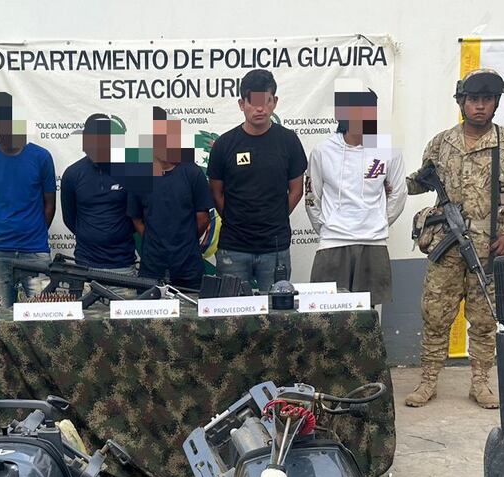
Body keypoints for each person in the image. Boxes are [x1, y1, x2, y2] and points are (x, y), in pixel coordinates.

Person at [404, 68, 504, 409]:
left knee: (482, 319)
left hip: (490, 247)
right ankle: (428, 381)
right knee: (435, 315)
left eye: (487, 100)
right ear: (462, 102)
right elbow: (420, 181)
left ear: (496, 103)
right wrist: (386, 178)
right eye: (473, 100)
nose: (480, 107)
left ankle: (480, 383)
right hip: (446, 245)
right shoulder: (441, 143)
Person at [305, 84, 406, 311]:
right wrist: (326, 227)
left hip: (372, 243)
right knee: (327, 316)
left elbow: (399, 194)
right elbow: (312, 196)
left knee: (366, 316)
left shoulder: (387, 150)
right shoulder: (322, 151)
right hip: (333, 243)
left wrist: (379, 221)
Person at [208, 69, 307, 287]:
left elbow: (297, 190)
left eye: (266, 101)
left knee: (276, 315)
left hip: (275, 247)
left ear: (275, 102)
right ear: (242, 104)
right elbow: (216, 192)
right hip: (233, 248)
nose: (260, 108)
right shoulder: (224, 144)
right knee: (231, 316)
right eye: (252, 102)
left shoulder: (289, 141)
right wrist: (236, 218)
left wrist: (276, 216)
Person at [0, 91, 57, 309]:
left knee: (43, 320)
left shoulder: (41, 157)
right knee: (1, 319)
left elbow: (50, 205)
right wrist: (2, 229)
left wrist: (33, 231)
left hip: (36, 252)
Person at [127, 108, 212, 288]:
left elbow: (203, 218)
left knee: (192, 316)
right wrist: (154, 240)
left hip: (188, 268)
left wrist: (183, 240)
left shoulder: (192, 172)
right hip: (152, 268)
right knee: (150, 316)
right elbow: (136, 218)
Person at [61, 114, 136, 284]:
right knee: (88, 312)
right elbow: (70, 219)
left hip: (122, 265)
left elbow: (136, 216)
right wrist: (91, 235)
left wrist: (117, 235)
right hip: (85, 265)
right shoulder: (72, 174)